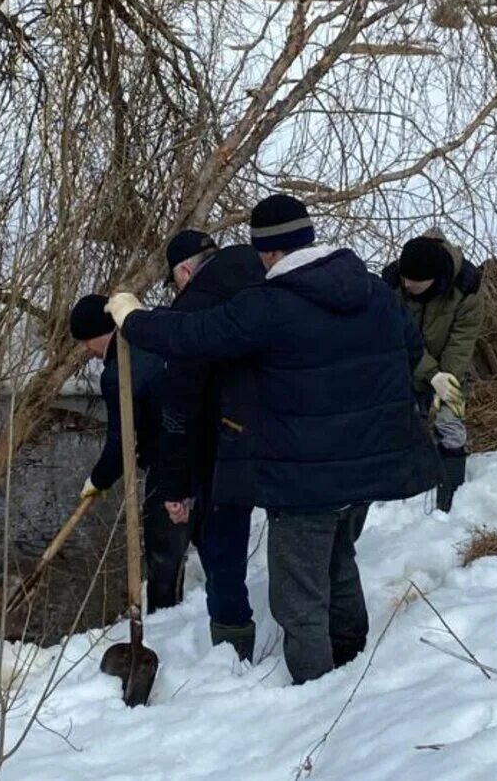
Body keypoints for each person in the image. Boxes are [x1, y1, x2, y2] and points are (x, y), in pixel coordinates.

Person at [107, 194, 440, 684]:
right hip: (367, 464)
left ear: (266, 253)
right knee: (338, 561)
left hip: (304, 475)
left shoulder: (270, 306)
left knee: (297, 593)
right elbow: (411, 351)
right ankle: (351, 670)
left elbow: (194, 335)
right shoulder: (371, 289)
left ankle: (316, 694)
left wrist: (132, 318)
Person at [157, 229, 266, 660]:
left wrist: (174, 485)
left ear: (185, 270)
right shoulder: (269, 282)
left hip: (223, 447)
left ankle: (233, 653)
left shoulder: (193, 312)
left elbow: (179, 411)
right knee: (306, 545)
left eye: (175, 280)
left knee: (223, 554)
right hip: (292, 440)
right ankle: (328, 650)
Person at [70, 294, 187, 614]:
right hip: (196, 452)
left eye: (85, 341)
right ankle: (183, 610)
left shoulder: (117, 373)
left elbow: (118, 443)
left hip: (169, 466)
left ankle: (164, 620)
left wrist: (98, 480)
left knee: (162, 551)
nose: (86, 350)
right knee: (187, 543)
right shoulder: (153, 337)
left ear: (100, 333)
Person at [381, 231, 484, 512]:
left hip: (450, 366)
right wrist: (430, 374)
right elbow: (397, 337)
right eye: (405, 280)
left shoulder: (468, 285)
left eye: (415, 283)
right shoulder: (390, 285)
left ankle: (452, 499)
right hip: (402, 366)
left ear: (435, 279)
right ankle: (397, 502)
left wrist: (446, 380)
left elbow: (462, 341)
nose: (407, 286)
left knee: (450, 427)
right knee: (401, 426)